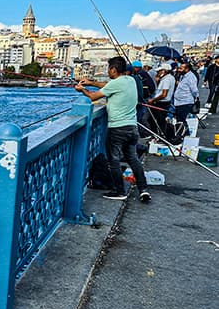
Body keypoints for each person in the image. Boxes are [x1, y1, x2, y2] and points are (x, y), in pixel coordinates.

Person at [75, 56, 151, 202]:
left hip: (117, 128)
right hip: (132, 128)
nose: (107, 71)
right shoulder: (131, 80)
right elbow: (108, 85)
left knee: (113, 161)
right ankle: (143, 189)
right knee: (133, 159)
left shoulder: (115, 84)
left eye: (108, 69)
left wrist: (82, 89)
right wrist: (91, 82)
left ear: (113, 70)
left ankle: (119, 190)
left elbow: (92, 97)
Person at [147, 63, 175, 137]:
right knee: (158, 120)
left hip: (161, 103)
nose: (158, 73)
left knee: (156, 120)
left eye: (159, 71)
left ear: (164, 71)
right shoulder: (170, 78)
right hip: (164, 102)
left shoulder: (167, 80)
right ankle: (159, 135)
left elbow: (164, 94)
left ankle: (158, 135)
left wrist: (153, 100)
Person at [171, 61, 199, 135]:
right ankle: (181, 134)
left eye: (181, 68)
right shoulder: (183, 76)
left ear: (186, 69)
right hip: (179, 101)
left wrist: (195, 97)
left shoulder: (191, 77)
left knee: (182, 120)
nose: (179, 70)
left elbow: (194, 90)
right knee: (179, 120)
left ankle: (185, 135)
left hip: (185, 102)